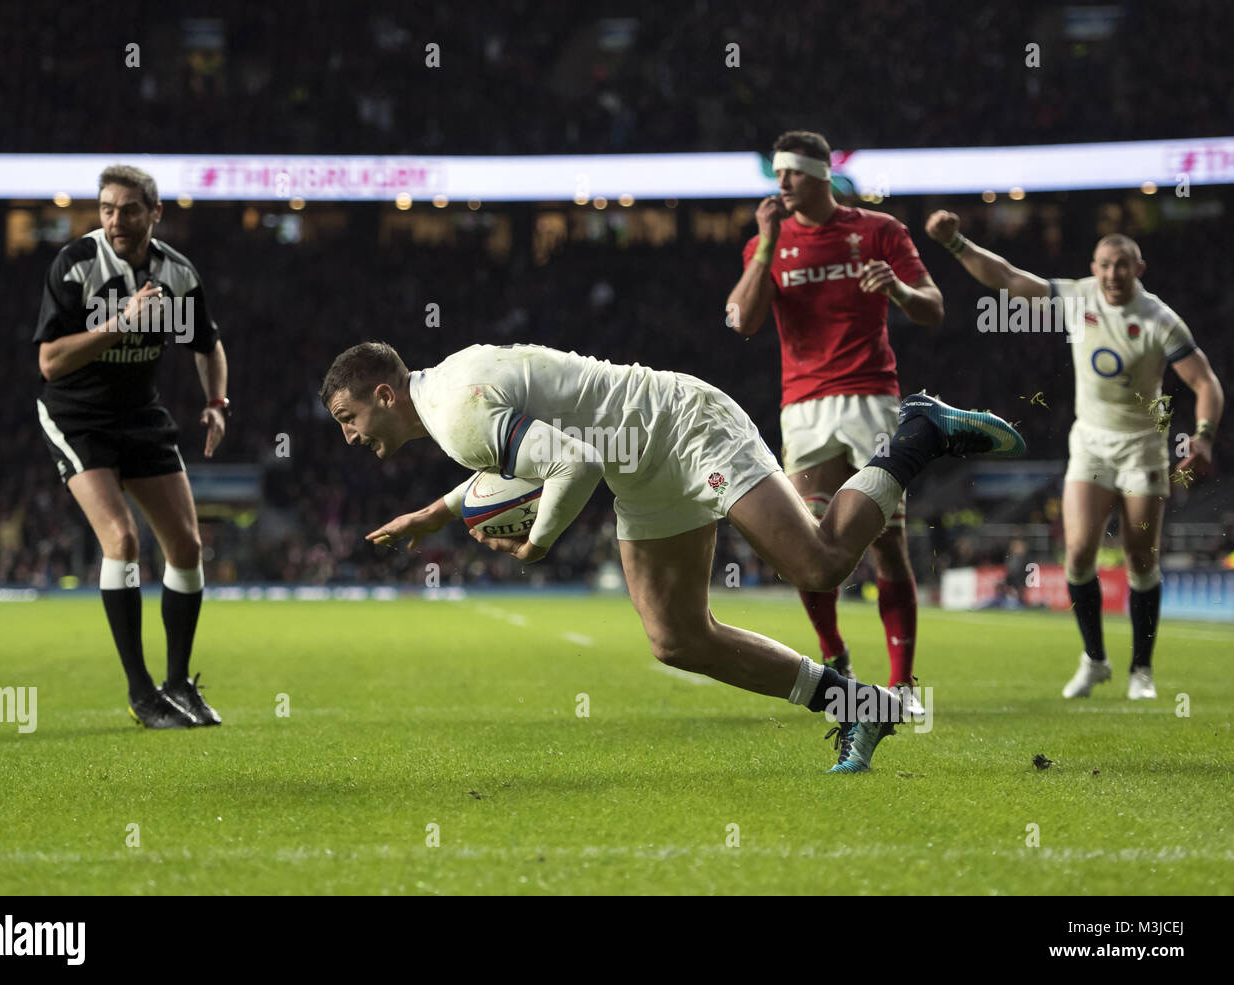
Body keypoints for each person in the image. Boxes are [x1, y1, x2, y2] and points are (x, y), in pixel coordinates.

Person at [320, 341, 1025, 772]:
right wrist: (436, 513)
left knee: (816, 565)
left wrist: (538, 542)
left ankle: (919, 433)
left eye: (349, 418)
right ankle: (859, 705)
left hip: (681, 425)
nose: (349, 435)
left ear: (384, 394)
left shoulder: (455, 414)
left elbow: (575, 461)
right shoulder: (447, 394)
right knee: (677, 636)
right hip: (644, 465)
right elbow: (522, 457)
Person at [924, 212, 1224, 699]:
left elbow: (1204, 381)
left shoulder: (1159, 319)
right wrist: (956, 242)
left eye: (1122, 266)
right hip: (1089, 444)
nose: (1112, 275)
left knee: (1140, 559)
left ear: (1138, 268)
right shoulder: (1078, 296)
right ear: (1094, 266)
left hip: (1143, 448)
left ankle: (1141, 671)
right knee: (1079, 554)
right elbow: (1007, 278)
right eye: (1105, 265)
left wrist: (1205, 435)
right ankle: (1095, 660)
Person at [726, 130, 944, 713]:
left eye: (791, 174)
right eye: (777, 174)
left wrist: (895, 288)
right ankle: (835, 653)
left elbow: (934, 307)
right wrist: (768, 242)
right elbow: (742, 321)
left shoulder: (879, 231)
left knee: (888, 545)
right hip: (803, 405)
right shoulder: (767, 242)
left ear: (820, 173)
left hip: (871, 395)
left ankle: (902, 687)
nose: (781, 185)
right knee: (805, 543)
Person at [33, 165, 230, 728]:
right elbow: (49, 362)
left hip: (140, 414)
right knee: (120, 538)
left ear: (155, 213)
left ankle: (177, 685)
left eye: (129, 209)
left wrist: (217, 403)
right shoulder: (75, 266)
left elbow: (207, 344)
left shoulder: (177, 274)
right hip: (77, 416)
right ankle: (142, 693)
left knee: (188, 546)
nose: (116, 220)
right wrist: (119, 324)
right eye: (107, 209)